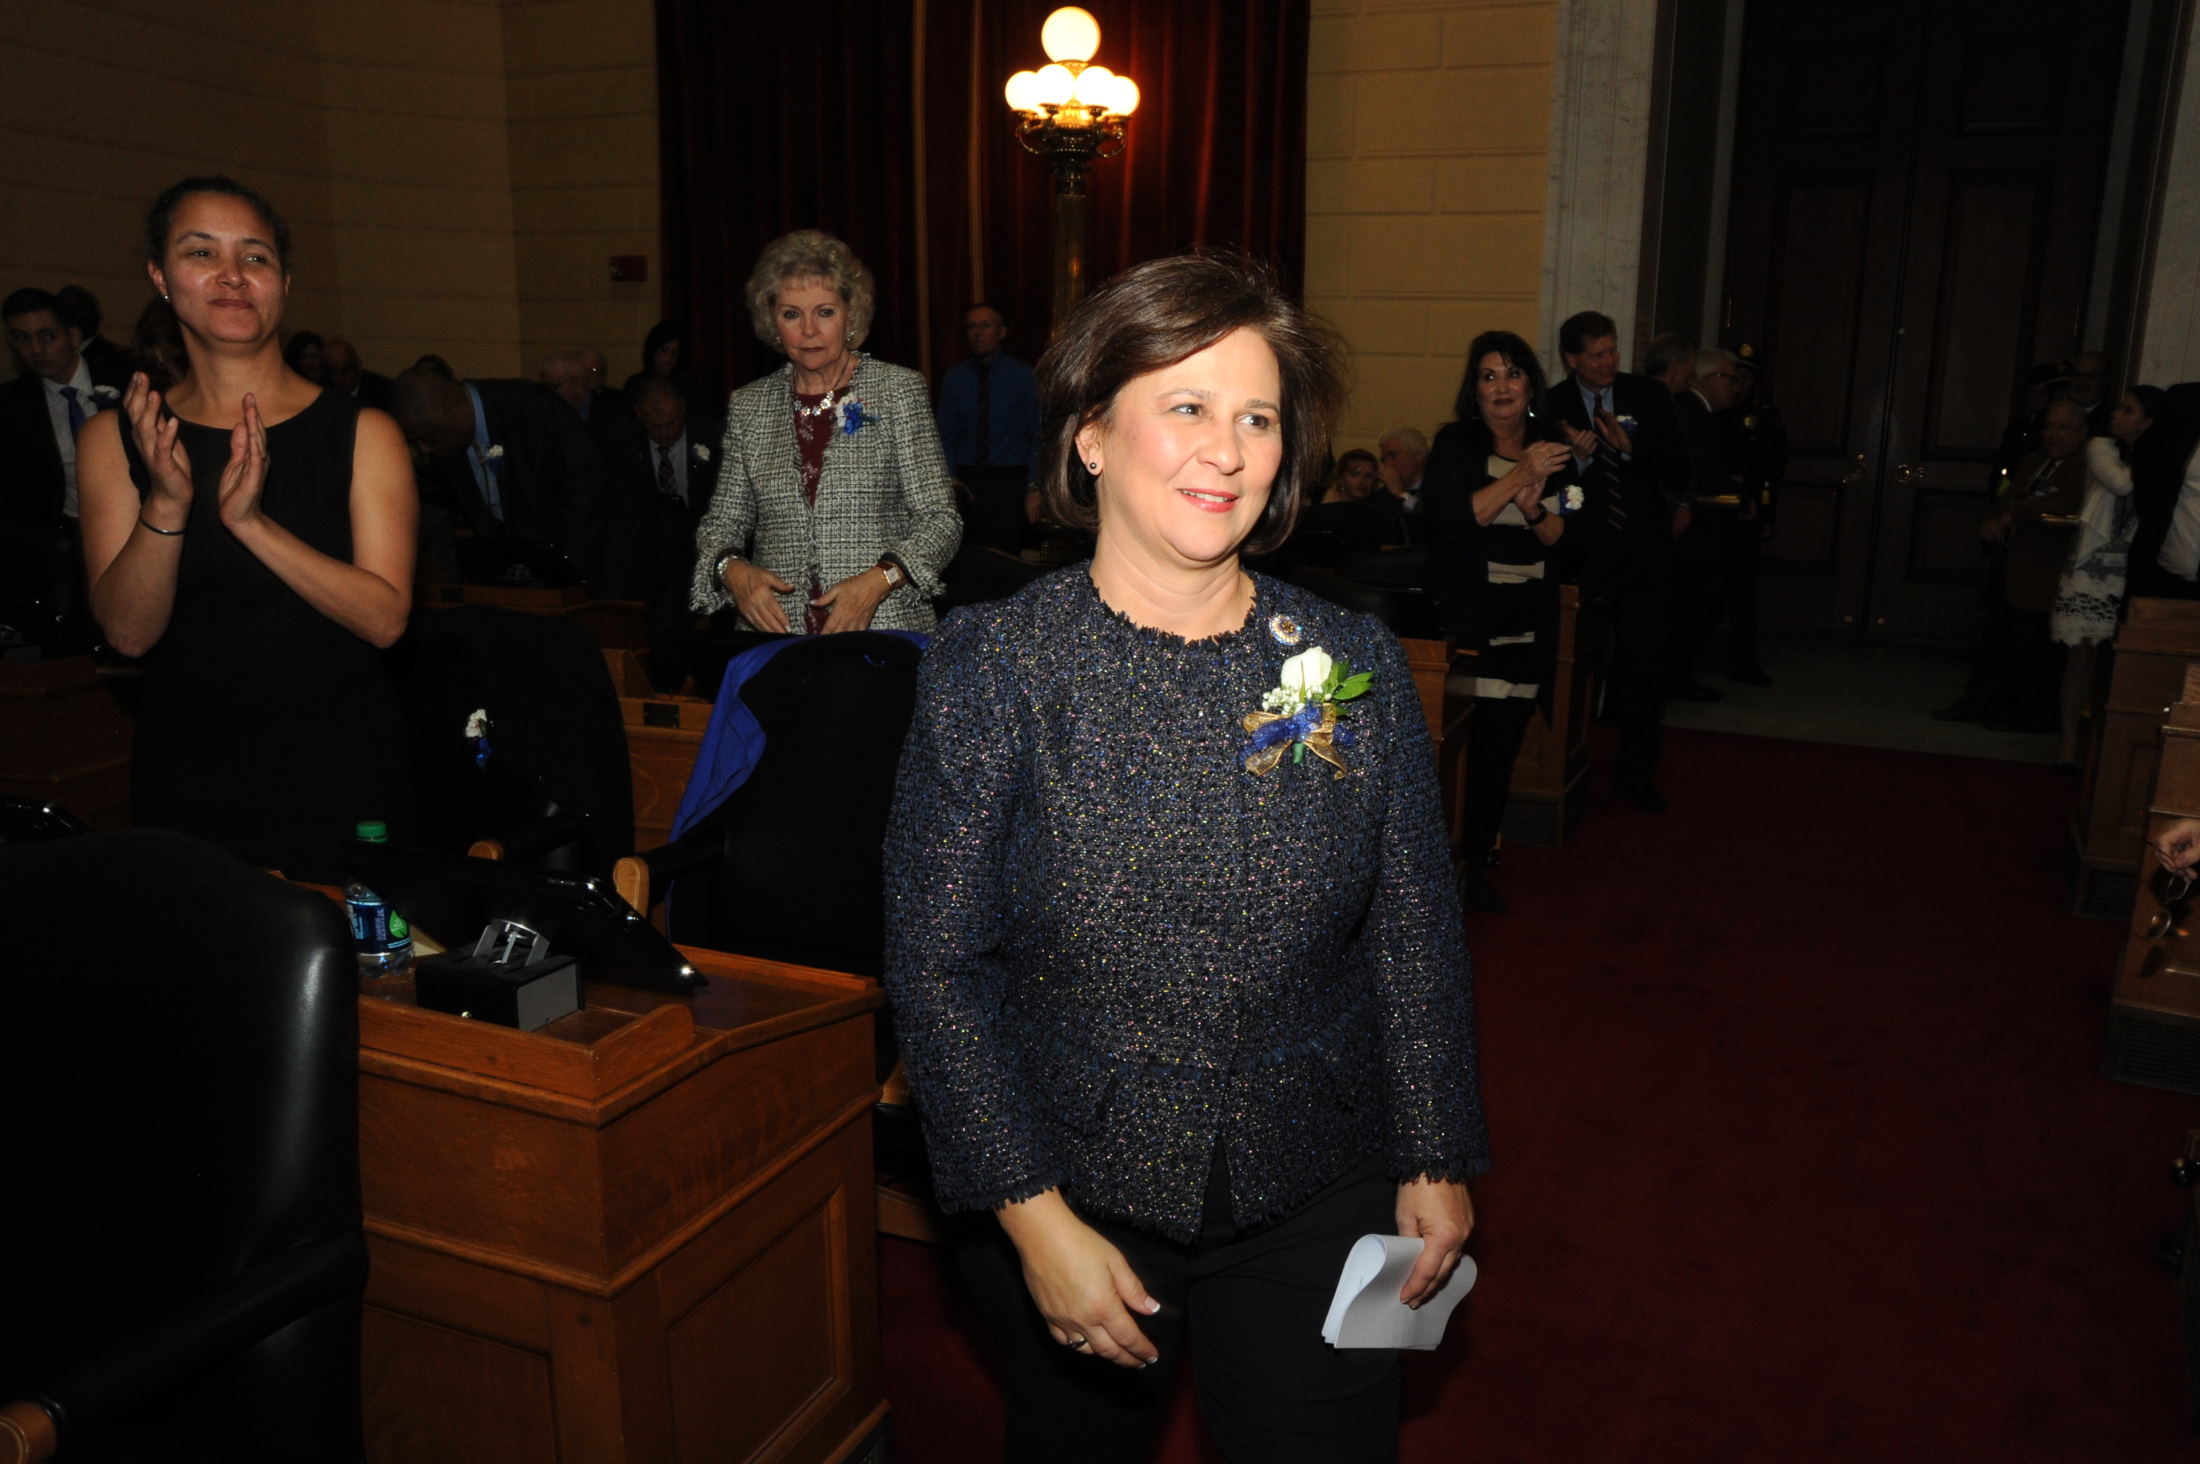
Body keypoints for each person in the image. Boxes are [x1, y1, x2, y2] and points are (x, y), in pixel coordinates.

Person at [882, 253, 1485, 1464]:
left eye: (1257, 417)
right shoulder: (996, 666)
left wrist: (1434, 1150)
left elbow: (1413, 927)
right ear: (1091, 437)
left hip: (1317, 1169)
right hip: (1072, 1182)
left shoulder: (1348, 660)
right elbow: (937, 966)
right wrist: (1032, 1218)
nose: (1228, 450)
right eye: (1188, 407)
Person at [76, 176, 417, 882]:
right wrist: (168, 503)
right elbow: (128, 634)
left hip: (340, 767)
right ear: (161, 278)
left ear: (284, 283)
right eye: (201, 252)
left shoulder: (363, 431)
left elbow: (385, 619)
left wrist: (251, 525)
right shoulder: (117, 437)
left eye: (255, 256)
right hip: (190, 773)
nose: (232, 275)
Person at [689, 230, 959, 634]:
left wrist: (880, 580)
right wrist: (733, 571)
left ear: (851, 314)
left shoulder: (897, 390)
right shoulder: (750, 405)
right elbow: (720, 526)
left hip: (883, 631)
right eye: (791, 314)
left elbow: (941, 519)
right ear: (772, 322)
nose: (809, 330)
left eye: (825, 312)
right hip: (776, 637)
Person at [1423, 329, 1582, 913]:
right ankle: (1444, 869)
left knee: (1500, 755)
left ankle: (1479, 861)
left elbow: (1569, 539)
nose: (1501, 387)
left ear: (1530, 385)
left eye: (1512, 374)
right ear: (1475, 389)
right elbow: (1451, 521)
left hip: (1528, 626)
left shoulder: (1554, 449)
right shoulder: (1456, 444)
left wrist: (1535, 508)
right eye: (1489, 376)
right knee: (1465, 754)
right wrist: (1518, 478)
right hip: (1471, 626)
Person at [1553, 309, 1690, 811]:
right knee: (1573, 670)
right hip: (1583, 559)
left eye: (1611, 350)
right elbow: (1548, 487)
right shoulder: (1552, 404)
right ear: (1572, 359)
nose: (1607, 362)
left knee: (1644, 669)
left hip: (1644, 558)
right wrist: (1579, 459)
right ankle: (1563, 768)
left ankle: (1636, 775)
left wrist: (1632, 449)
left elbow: (1680, 468)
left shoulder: (1648, 395)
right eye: (1595, 355)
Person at [388, 362, 615, 586]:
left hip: (585, 565)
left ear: (450, 408)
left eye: (426, 435)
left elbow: (588, 494)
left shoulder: (532, 408)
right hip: (520, 573)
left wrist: (566, 575)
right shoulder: (446, 442)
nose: (424, 448)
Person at [2050, 386, 2159, 768]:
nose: (2116, 415)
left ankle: (2106, 749)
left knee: (2115, 663)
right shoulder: (2099, 447)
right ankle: (2068, 745)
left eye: (2128, 410)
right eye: (2118, 408)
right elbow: (2123, 484)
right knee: (2080, 656)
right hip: (2092, 566)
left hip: (2132, 567)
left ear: (2148, 421)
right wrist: (2150, 455)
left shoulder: (2157, 455)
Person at [2, 286, 132, 531]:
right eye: (22, 338)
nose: (35, 350)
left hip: (132, 518)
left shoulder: (125, 379)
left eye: (47, 336)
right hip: (61, 531)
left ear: (73, 336)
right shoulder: (13, 404)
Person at [936, 302, 1041, 553]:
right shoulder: (955, 379)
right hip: (966, 481)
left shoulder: (1024, 376)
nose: (977, 333)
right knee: (966, 556)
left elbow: (1038, 433)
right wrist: (950, 478)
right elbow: (945, 434)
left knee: (1006, 556)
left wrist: (1035, 485)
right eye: (971, 327)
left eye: (985, 326)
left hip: (1009, 481)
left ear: (1001, 332)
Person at [322, 336, 393, 410]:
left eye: (346, 370)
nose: (340, 378)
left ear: (358, 366)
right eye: (334, 372)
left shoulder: (382, 392)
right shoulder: (324, 392)